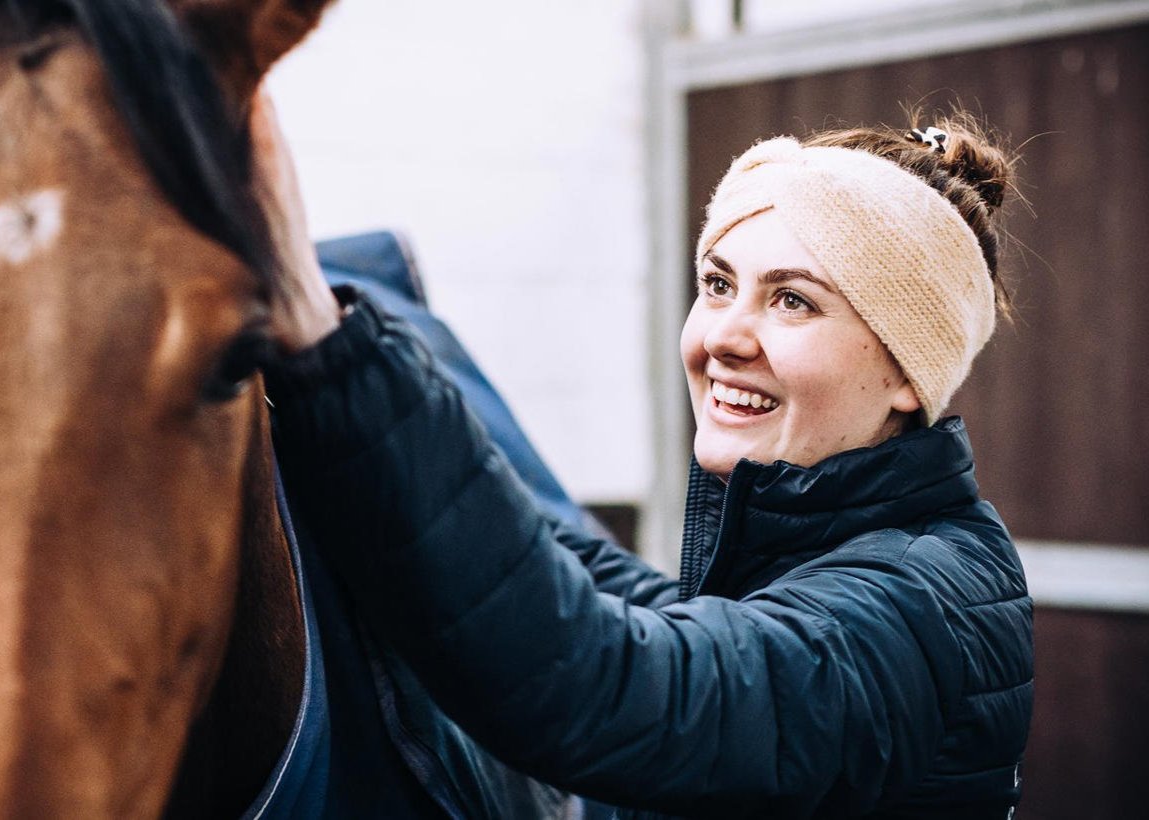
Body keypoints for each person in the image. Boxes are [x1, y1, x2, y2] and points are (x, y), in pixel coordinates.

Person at [255, 99, 1033, 819]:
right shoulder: (807, 553)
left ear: (906, 373)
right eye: (717, 284)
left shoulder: (917, 608)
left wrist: (334, 351)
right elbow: (593, 576)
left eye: (792, 300)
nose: (722, 336)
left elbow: (602, 688)